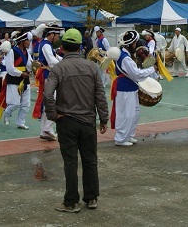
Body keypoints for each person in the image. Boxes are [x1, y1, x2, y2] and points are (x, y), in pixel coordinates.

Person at [44, 28, 109, 213]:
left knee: (70, 162)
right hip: (88, 121)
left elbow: (48, 95)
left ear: (63, 47)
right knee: (90, 160)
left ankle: (71, 202)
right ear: (80, 47)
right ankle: (92, 197)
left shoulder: (58, 68)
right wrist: (103, 118)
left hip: (67, 121)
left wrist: (53, 115)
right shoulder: (92, 67)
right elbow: (100, 95)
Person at [106, 30, 157, 146]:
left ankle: (128, 135)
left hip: (129, 87)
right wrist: (151, 69)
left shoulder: (125, 55)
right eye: (135, 43)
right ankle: (121, 139)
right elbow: (136, 74)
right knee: (126, 114)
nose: (136, 45)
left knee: (134, 112)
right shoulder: (125, 58)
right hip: (124, 88)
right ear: (131, 44)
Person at [33, 23, 63, 141]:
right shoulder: (45, 45)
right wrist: (66, 65)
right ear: (51, 34)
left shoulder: (47, 44)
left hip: (48, 75)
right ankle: (48, 128)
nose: (58, 38)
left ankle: (45, 130)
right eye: (57, 35)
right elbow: (52, 61)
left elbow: (57, 58)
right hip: (48, 76)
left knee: (49, 103)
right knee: (55, 102)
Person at [3, 32, 33, 130]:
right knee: (15, 103)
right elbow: (10, 68)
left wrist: (33, 67)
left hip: (25, 79)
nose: (29, 43)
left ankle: (21, 122)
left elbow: (29, 65)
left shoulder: (27, 53)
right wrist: (21, 73)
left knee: (26, 103)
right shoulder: (12, 51)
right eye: (28, 41)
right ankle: (7, 113)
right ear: (22, 41)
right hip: (14, 79)